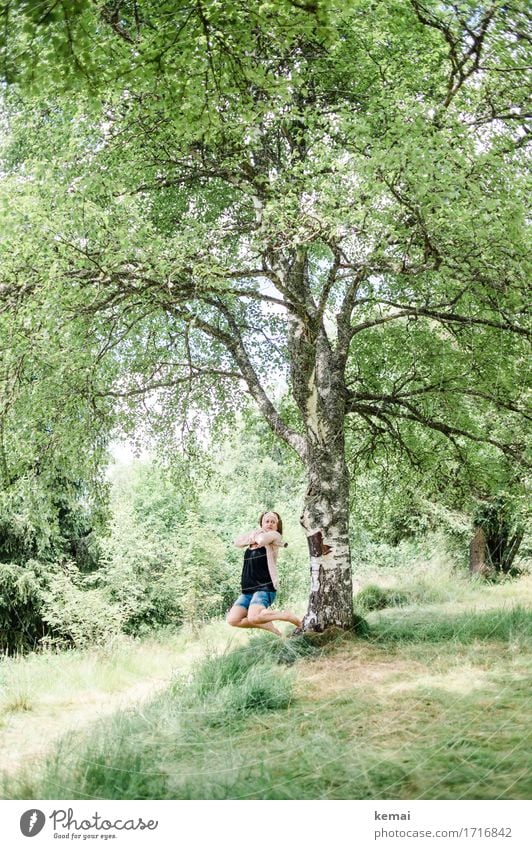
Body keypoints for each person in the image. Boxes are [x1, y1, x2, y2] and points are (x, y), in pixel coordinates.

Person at [227, 510, 302, 636]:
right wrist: (254, 536)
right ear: (262, 523)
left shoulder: (275, 536)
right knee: (233, 619)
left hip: (265, 587)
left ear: (277, 526)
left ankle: (286, 616)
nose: (270, 524)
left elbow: (261, 540)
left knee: (253, 617)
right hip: (248, 589)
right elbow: (237, 542)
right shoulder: (255, 538)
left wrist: (253, 536)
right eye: (267, 521)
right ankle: (269, 626)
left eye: (273, 522)